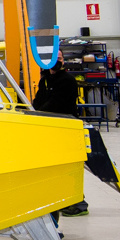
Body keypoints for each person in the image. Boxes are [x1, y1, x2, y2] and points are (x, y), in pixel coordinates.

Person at [32, 57, 88, 217]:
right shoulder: (45, 80)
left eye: (60, 58)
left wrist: (39, 115)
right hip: (50, 128)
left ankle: (78, 203)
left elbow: (57, 103)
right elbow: (38, 100)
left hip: (66, 127)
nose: (57, 61)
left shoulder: (67, 80)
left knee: (70, 167)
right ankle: (61, 200)